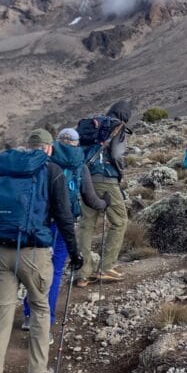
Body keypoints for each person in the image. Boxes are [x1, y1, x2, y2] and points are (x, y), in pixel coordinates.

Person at [0, 129, 83, 373]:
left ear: (28, 147)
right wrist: (75, 253)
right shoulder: (52, 170)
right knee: (38, 307)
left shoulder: (8, 170)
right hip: (34, 252)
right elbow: (63, 216)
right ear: (49, 149)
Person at [21, 127, 107, 333]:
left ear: (57, 143)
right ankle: (45, 319)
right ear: (77, 144)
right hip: (64, 225)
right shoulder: (81, 165)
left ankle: (28, 314)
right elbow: (90, 199)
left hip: (38, 223)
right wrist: (105, 203)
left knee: (35, 269)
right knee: (55, 271)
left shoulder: (45, 161)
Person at [76, 100, 133, 287]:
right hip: (106, 179)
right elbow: (116, 154)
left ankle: (82, 273)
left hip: (86, 177)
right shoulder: (117, 127)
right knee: (119, 221)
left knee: (86, 224)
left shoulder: (93, 124)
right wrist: (120, 172)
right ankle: (106, 267)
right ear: (125, 116)